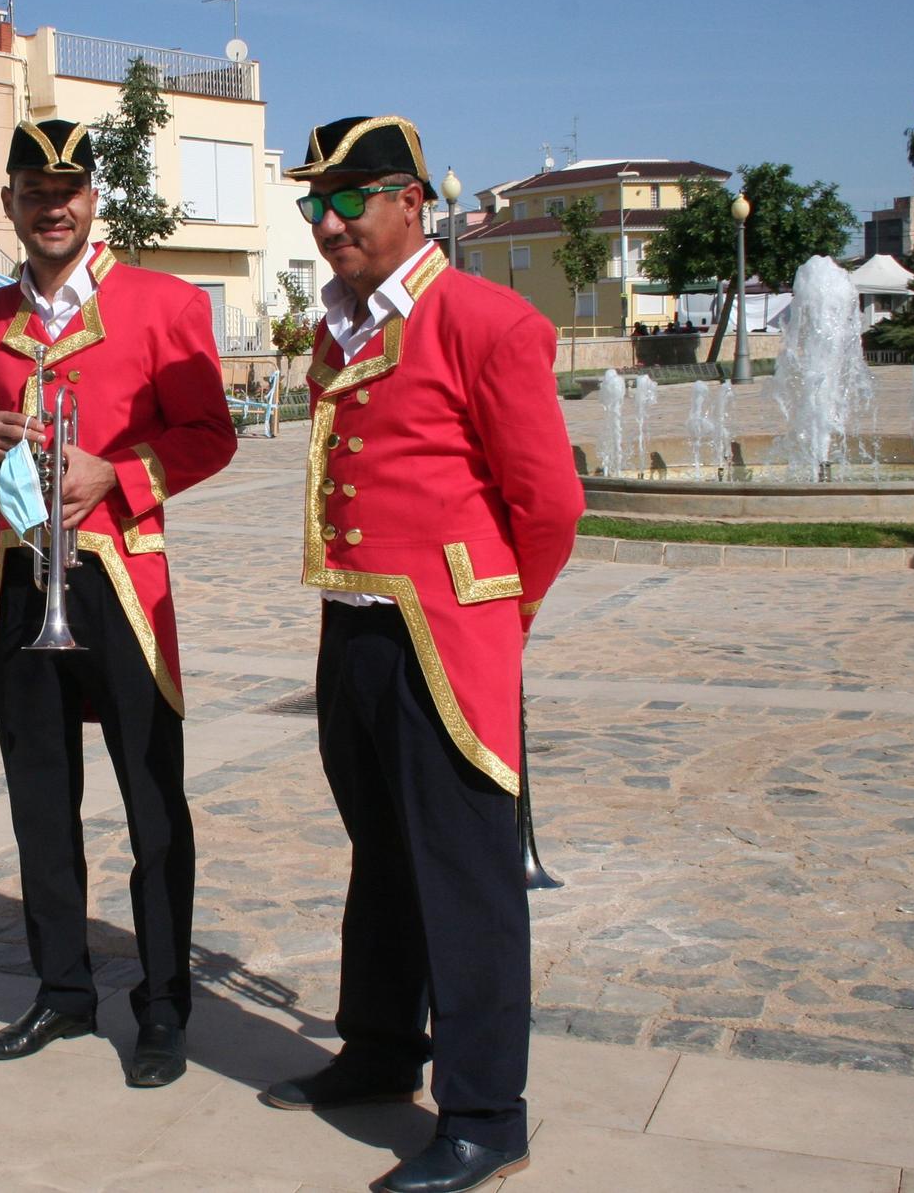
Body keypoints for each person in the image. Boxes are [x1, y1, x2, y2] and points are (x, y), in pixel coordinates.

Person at [259, 116, 583, 1193]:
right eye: (314, 204)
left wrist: (498, 616)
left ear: (410, 201)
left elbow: (547, 503)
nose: (328, 222)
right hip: (351, 624)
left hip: (443, 634)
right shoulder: (338, 328)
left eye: (349, 200)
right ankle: (382, 1048)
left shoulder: (486, 321)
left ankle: (487, 1113)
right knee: (380, 854)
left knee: (464, 877)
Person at [0, 118, 236, 1088]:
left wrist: (117, 473)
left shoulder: (158, 303)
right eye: (33, 190)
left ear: (92, 199)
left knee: (152, 802)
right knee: (39, 803)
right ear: (9, 205)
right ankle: (62, 990)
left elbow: (208, 435)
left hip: (120, 583)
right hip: (22, 584)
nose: (52, 205)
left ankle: (161, 1003)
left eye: (67, 189)